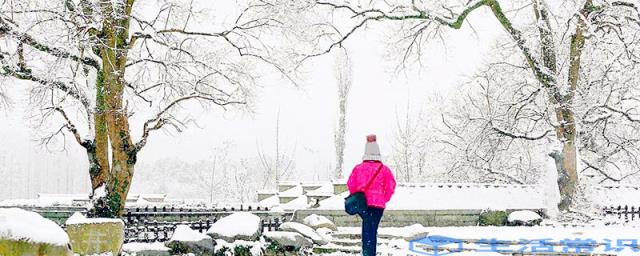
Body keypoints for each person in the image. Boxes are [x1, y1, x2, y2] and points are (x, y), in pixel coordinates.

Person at [347, 134, 397, 256]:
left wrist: (358, 195)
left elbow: (350, 184)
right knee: (372, 229)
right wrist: (383, 198)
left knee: (367, 228)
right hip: (378, 206)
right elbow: (391, 186)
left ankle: (367, 252)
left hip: (363, 205)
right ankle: (369, 252)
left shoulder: (358, 168)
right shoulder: (384, 169)